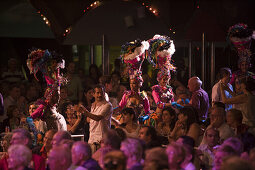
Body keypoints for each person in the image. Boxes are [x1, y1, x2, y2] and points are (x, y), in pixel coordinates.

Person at [78, 84, 113, 153]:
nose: (99, 95)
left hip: (101, 141)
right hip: (92, 140)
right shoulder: (93, 105)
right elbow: (90, 120)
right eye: (97, 93)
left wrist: (85, 112)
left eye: (101, 93)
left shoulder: (107, 105)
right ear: (93, 94)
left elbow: (97, 118)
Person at [147, 35, 176, 113]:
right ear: (159, 79)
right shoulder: (156, 89)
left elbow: (173, 102)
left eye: (167, 78)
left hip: (170, 113)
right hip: (160, 113)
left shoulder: (169, 89)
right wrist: (171, 104)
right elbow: (159, 104)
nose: (165, 80)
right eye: (163, 78)